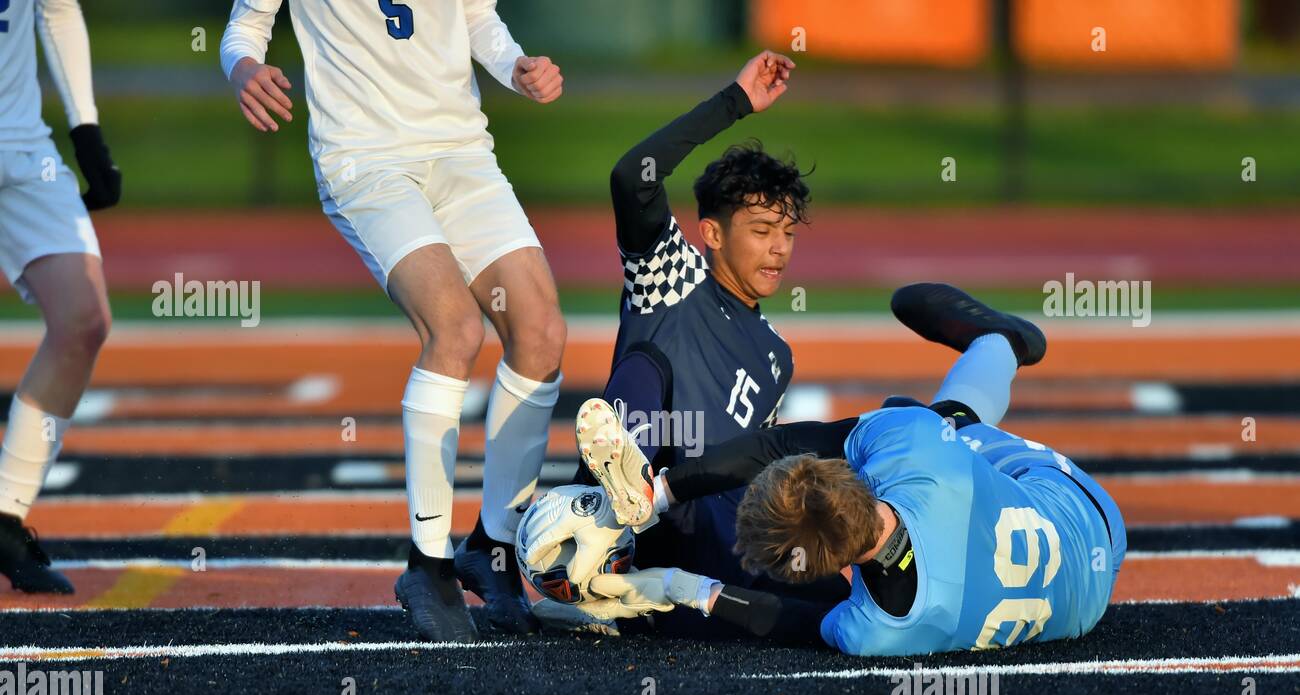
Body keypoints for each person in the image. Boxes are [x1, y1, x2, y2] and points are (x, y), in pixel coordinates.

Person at [220, 0, 568, 638]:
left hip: (461, 152)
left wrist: (515, 64)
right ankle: (426, 565)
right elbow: (245, 26)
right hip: (367, 158)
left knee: (541, 332)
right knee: (455, 330)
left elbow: (475, 19)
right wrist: (244, 68)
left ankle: (490, 548)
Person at [580, 284, 1128, 656]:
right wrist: (667, 493)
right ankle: (1001, 344)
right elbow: (784, 441)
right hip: (1077, 503)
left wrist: (681, 587)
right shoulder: (917, 458)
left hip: (1086, 604)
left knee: (938, 424)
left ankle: (1002, 342)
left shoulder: (879, 630)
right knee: (933, 422)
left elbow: (788, 620)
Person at [568, 50, 841, 612]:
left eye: (788, 233)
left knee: (839, 606)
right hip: (643, 522)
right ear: (711, 234)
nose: (779, 248)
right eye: (762, 229)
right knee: (647, 363)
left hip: (718, 543)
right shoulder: (674, 276)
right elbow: (633, 174)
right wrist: (735, 102)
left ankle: (634, 605)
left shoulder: (775, 355)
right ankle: (617, 511)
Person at [0, 0, 120, 593]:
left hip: (20, 142)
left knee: (83, 319)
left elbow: (56, 6)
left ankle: (4, 516)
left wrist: (85, 127)